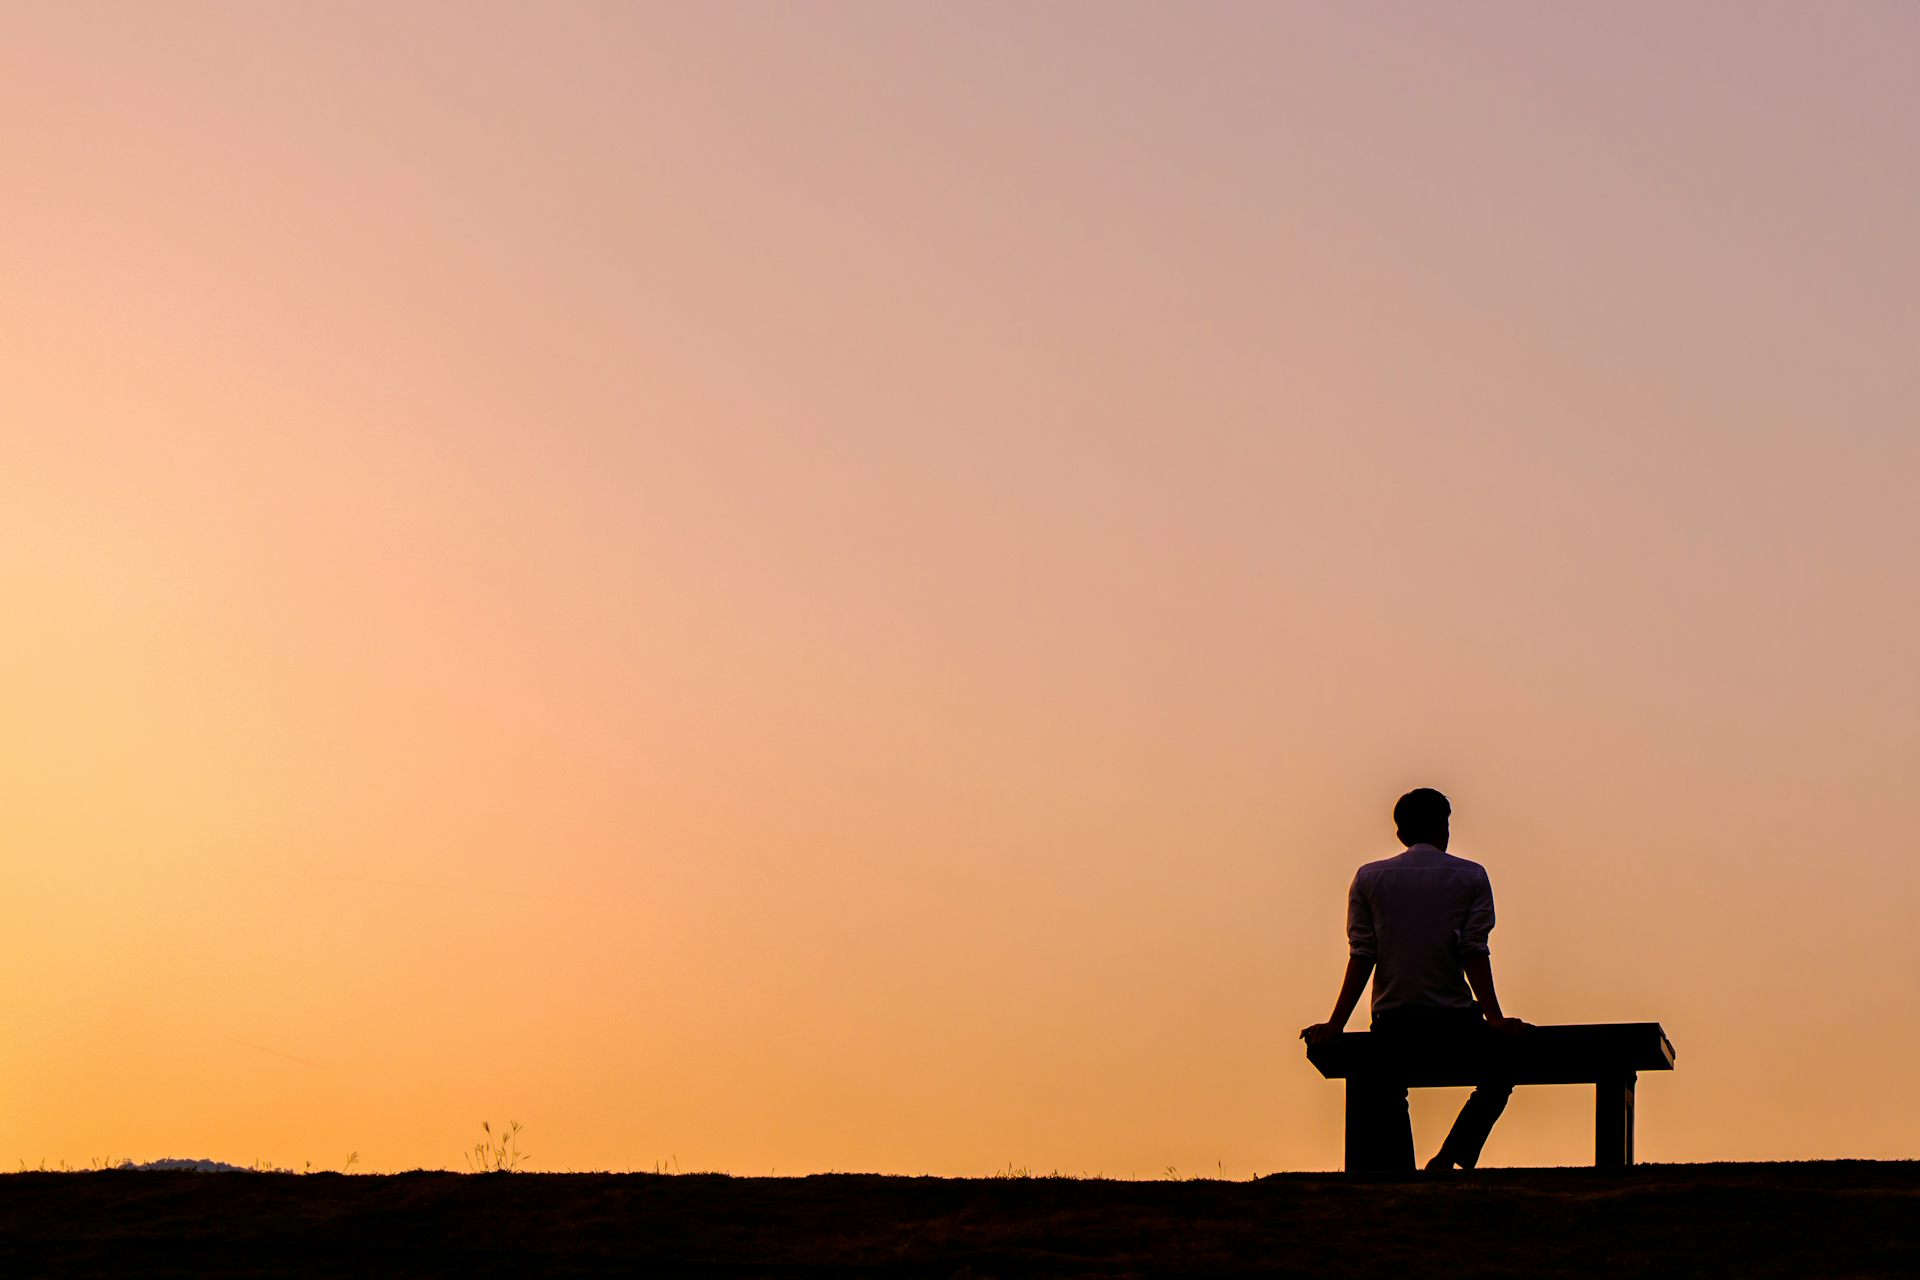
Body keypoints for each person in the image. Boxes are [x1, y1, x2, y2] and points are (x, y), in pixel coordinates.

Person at [1299, 788, 1524, 1172]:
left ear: (1401, 833)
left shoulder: (1370, 878)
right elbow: (1473, 951)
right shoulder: (1470, 876)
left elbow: (1362, 955)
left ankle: (1403, 1172)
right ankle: (1453, 1154)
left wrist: (1336, 1023)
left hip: (1393, 1022)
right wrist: (1495, 1019)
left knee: (1385, 1088)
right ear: (1444, 828)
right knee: (1511, 1064)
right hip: (1453, 1021)